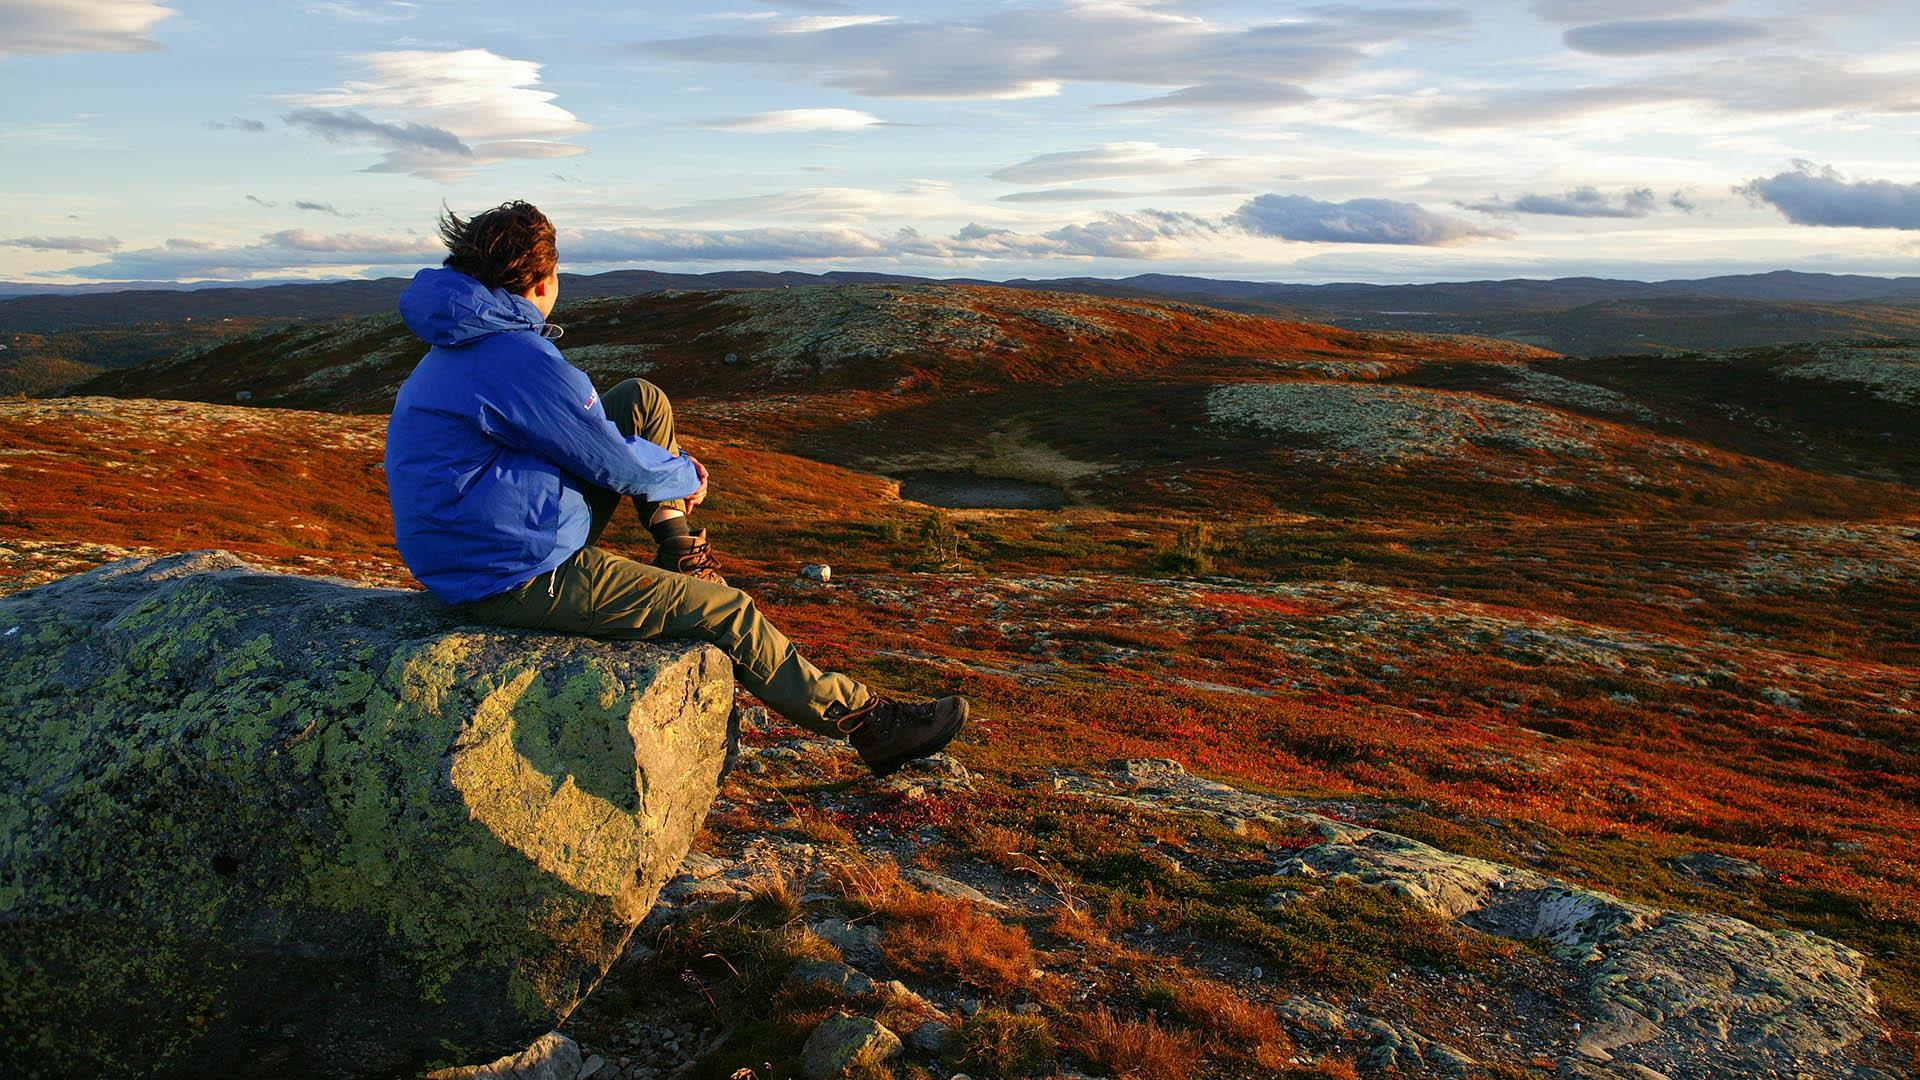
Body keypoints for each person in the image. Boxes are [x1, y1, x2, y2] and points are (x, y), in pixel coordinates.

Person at [382, 200, 966, 777]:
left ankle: (678, 547)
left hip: (483, 541)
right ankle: (870, 725)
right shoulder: (515, 357)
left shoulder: (465, 343)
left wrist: (664, 470)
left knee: (640, 399)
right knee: (728, 612)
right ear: (539, 280)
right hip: (513, 571)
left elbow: (593, 441)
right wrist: (684, 472)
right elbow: (612, 463)